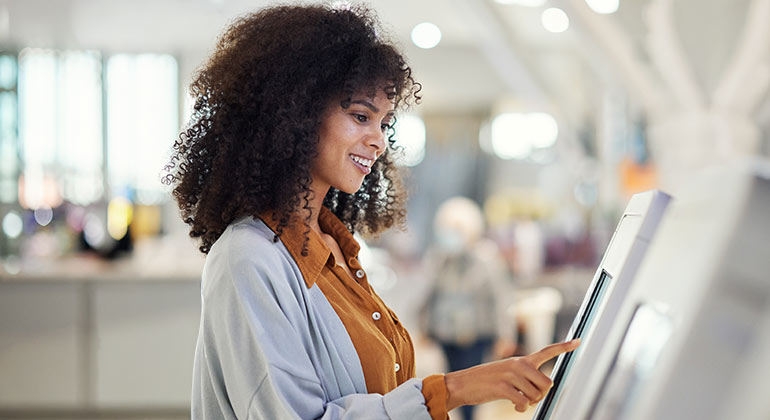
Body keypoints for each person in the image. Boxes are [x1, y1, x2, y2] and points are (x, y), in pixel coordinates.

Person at [163, 5, 579, 420]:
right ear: (294, 115)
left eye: (384, 123)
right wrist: (452, 389)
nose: (378, 141)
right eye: (361, 116)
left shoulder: (335, 246)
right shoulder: (248, 259)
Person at [421, 197, 517, 420]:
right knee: (449, 385)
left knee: (471, 389)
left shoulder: (487, 259)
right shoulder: (438, 258)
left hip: (476, 336)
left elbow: (501, 299)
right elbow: (428, 295)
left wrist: (506, 335)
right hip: (446, 335)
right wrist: (423, 326)